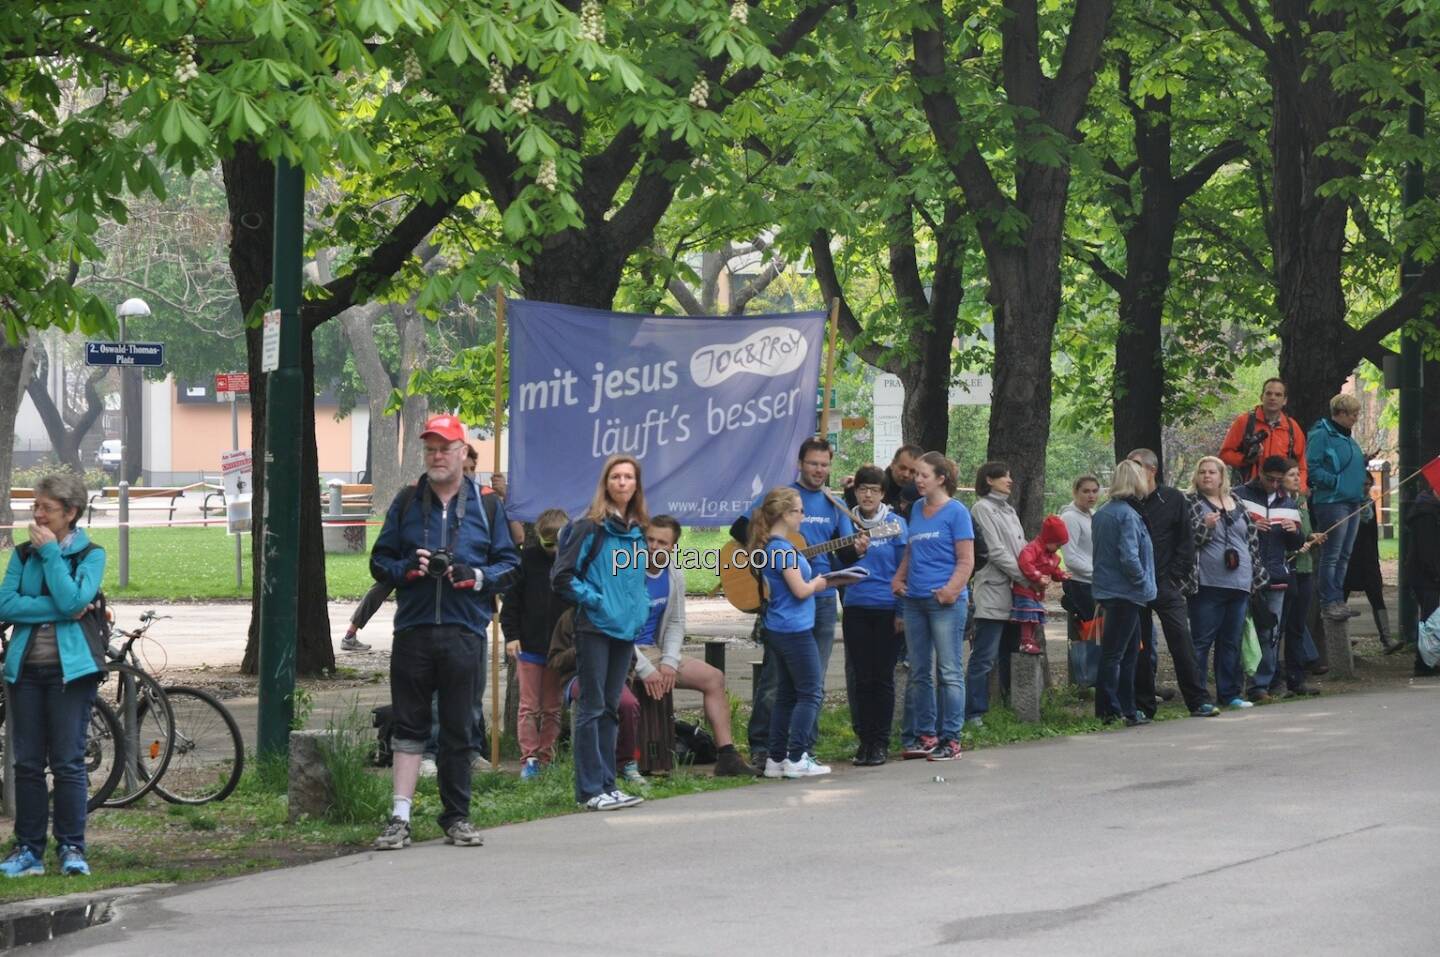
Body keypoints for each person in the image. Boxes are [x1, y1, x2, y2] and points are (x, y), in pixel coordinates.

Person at [367, 414, 519, 850]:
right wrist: (407, 570)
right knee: (409, 728)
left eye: (444, 448)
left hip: (464, 631)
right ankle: (400, 818)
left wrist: (478, 576)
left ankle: (457, 817)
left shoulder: (488, 505)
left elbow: (510, 567)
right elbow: (380, 562)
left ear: (461, 453)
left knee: (458, 728)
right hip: (414, 630)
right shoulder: (407, 501)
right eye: (430, 448)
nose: (436, 455)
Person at [733, 437, 865, 767]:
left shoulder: (834, 504)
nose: (819, 470)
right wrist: (764, 564)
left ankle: (801, 747)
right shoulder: (784, 499)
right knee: (775, 678)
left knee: (812, 679)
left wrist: (859, 548)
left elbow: (844, 550)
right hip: (786, 603)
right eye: (813, 463)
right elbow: (744, 533)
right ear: (800, 464)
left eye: (825, 464)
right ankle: (764, 747)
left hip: (820, 600)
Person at [0, 473, 106, 878]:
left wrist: (51, 558)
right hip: (25, 671)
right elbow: (6, 604)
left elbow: (76, 597)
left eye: (46, 508)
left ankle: (72, 849)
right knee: (26, 763)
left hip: (71, 673)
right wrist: (63, 608)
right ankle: (28, 849)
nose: (38, 514)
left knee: (67, 763)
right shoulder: (22, 554)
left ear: (71, 512)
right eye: (35, 506)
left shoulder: (91, 555)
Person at [551, 454, 651, 811]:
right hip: (593, 628)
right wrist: (595, 600)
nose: (622, 482)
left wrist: (638, 610)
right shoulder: (588, 527)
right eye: (616, 476)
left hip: (624, 632)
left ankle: (608, 785)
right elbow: (561, 577)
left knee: (611, 708)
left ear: (636, 485)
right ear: (606, 483)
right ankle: (589, 790)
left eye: (629, 477)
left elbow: (637, 580)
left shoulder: (637, 531)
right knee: (592, 708)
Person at [631, 515, 756, 777]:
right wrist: (644, 669)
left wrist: (668, 661)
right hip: (625, 655)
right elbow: (617, 633)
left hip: (654, 650)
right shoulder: (628, 571)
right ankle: (632, 760)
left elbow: (676, 622)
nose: (654, 546)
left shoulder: (674, 574)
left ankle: (727, 756)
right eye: (649, 540)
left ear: (673, 547)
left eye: (662, 542)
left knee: (714, 678)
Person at [890, 453, 973, 762]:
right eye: (916, 475)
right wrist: (898, 579)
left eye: (924, 474)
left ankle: (952, 739)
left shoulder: (957, 512)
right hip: (914, 601)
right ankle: (927, 735)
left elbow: (966, 560)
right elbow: (911, 550)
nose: (917, 479)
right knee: (919, 671)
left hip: (945, 603)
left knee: (949, 671)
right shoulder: (916, 509)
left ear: (941, 478)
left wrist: (951, 590)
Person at [1125, 450, 1216, 718]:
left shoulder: (1174, 498)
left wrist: (1176, 577)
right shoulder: (1126, 502)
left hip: (1166, 582)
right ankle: (1143, 705)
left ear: (1151, 470)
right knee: (1139, 647)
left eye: (1136, 466)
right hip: (1136, 586)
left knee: (1181, 642)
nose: (1131, 471)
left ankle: (1198, 700)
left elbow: (1186, 541)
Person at [750, 487, 832, 778]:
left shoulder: (772, 546)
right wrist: (820, 584)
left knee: (786, 694)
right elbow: (799, 590)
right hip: (794, 629)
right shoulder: (782, 549)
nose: (803, 515)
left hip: (780, 627)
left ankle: (775, 758)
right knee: (810, 692)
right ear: (785, 514)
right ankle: (797, 757)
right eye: (799, 510)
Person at [1184, 455, 1269, 710]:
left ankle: (1229, 693)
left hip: (1240, 583)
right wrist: (1205, 526)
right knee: (1202, 641)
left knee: (1231, 641)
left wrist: (1256, 575)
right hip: (1207, 584)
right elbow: (1187, 540)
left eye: (1212, 472)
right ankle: (1198, 697)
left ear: (1222, 476)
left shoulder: (1238, 502)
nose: (1207, 476)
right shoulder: (1190, 502)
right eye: (1202, 472)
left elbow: (1251, 541)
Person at [843, 466, 910, 766]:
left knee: (882, 678)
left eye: (874, 489)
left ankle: (880, 742)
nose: (868, 494)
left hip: (887, 610)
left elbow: (905, 568)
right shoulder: (845, 521)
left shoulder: (895, 524)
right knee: (861, 678)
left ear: (883, 493)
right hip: (855, 608)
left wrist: (902, 611)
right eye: (862, 489)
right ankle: (864, 741)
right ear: (855, 491)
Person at [499, 508, 571, 780]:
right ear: (539, 537)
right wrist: (512, 635)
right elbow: (512, 602)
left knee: (553, 707)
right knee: (529, 706)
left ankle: (546, 754)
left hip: (558, 649)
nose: (553, 550)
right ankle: (528, 757)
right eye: (547, 544)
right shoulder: (526, 560)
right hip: (529, 646)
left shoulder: (571, 562)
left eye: (558, 544)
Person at [546, 607, 646, 785]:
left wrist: (623, 679)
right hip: (577, 676)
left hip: (612, 677)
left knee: (628, 704)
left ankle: (627, 762)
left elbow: (630, 658)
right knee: (593, 703)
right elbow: (555, 660)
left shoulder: (618, 615)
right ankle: (590, 768)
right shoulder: (570, 617)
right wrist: (581, 649)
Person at [1090, 460, 1157, 726]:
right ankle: (1109, 710)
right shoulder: (1127, 515)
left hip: (1112, 590)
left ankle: (1127, 709)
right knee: (1115, 654)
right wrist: (1142, 583)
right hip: (1125, 592)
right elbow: (1129, 556)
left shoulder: (1104, 512)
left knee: (1128, 653)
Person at [1234, 456, 1305, 701]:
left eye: (1278, 481)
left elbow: (1298, 543)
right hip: (1244, 575)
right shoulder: (1239, 495)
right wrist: (1252, 528)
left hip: (1275, 574)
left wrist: (1294, 532)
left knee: (1269, 632)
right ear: (1260, 473)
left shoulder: (1289, 503)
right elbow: (1230, 529)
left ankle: (1260, 685)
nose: (1274, 485)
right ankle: (1233, 685)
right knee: (1238, 630)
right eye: (1269, 479)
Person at [966, 461, 1029, 729]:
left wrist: (1034, 570)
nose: (1009, 480)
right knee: (984, 654)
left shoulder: (1010, 510)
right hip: (993, 588)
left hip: (1016, 590)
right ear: (989, 480)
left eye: (1010, 475)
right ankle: (973, 712)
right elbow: (995, 550)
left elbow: (1021, 547)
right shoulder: (982, 508)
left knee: (1011, 651)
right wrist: (1025, 576)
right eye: (1004, 476)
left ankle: (1009, 704)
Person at [1307, 393, 1367, 622]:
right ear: (1340, 413)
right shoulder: (1321, 435)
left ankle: (1338, 598)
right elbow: (1313, 468)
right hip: (1332, 502)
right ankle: (1328, 601)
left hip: (1352, 501)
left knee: (1344, 554)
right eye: (1353, 414)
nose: (1356, 418)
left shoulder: (1348, 438)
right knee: (1331, 555)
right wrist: (1336, 482)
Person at [1280, 463, 1325, 696]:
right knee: (1279, 626)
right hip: (1289, 568)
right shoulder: (1279, 503)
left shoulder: (1301, 501)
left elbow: (1303, 531)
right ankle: (1274, 678)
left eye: (1298, 474)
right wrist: (1297, 545)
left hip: (1306, 568)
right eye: (1291, 475)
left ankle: (1297, 678)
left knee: (1298, 626)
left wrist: (1311, 536)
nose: (1297, 478)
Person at [1219, 377, 1308, 490]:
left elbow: (1301, 465)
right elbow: (1225, 454)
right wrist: (1246, 459)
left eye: (1278, 395)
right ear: (1262, 397)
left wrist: (1300, 489)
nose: (1272, 398)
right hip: (1248, 489)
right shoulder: (1245, 422)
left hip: (1281, 490)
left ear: (1285, 400)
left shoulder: (1292, 427)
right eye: (1269, 393)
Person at [1344, 473, 1399, 652]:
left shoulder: (1369, 504)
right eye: (1363, 484)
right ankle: (1342, 636)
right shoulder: (1347, 505)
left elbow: (1373, 534)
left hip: (1368, 558)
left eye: (1369, 484)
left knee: (1377, 597)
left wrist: (1376, 560)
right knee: (1340, 598)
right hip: (1349, 558)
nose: (1366, 488)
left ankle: (1387, 639)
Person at [1014, 516, 1068, 655]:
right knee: (1028, 615)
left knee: (1034, 618)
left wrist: (1061, 575)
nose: (1058, 549)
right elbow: (1025, 563)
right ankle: (1025, 642)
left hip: (1037, 593)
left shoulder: (1052, 556)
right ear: (1049, 539)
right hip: (1026, 590)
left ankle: (1029, 640)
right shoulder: (1033, 548)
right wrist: (1037, 576)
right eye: (1057, 545)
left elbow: (1054, 570)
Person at [1059, 476, 1098, 627]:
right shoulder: (1069, 517)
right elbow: (1070, 558)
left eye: (1095, 491)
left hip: (1095, 583)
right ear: (1075, 492)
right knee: (1088, 636)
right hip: (1080, 584)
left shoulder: (1094, 514)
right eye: (1086, 491)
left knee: (1098, 635)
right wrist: (1098, 574)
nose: (1091, 495)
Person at [844, 443, 922, 514]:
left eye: (912, 471)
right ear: (892, 464)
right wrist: (850, 491)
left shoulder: (921, 494)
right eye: (902, 468)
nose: (906, 474)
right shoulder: (872, 486)